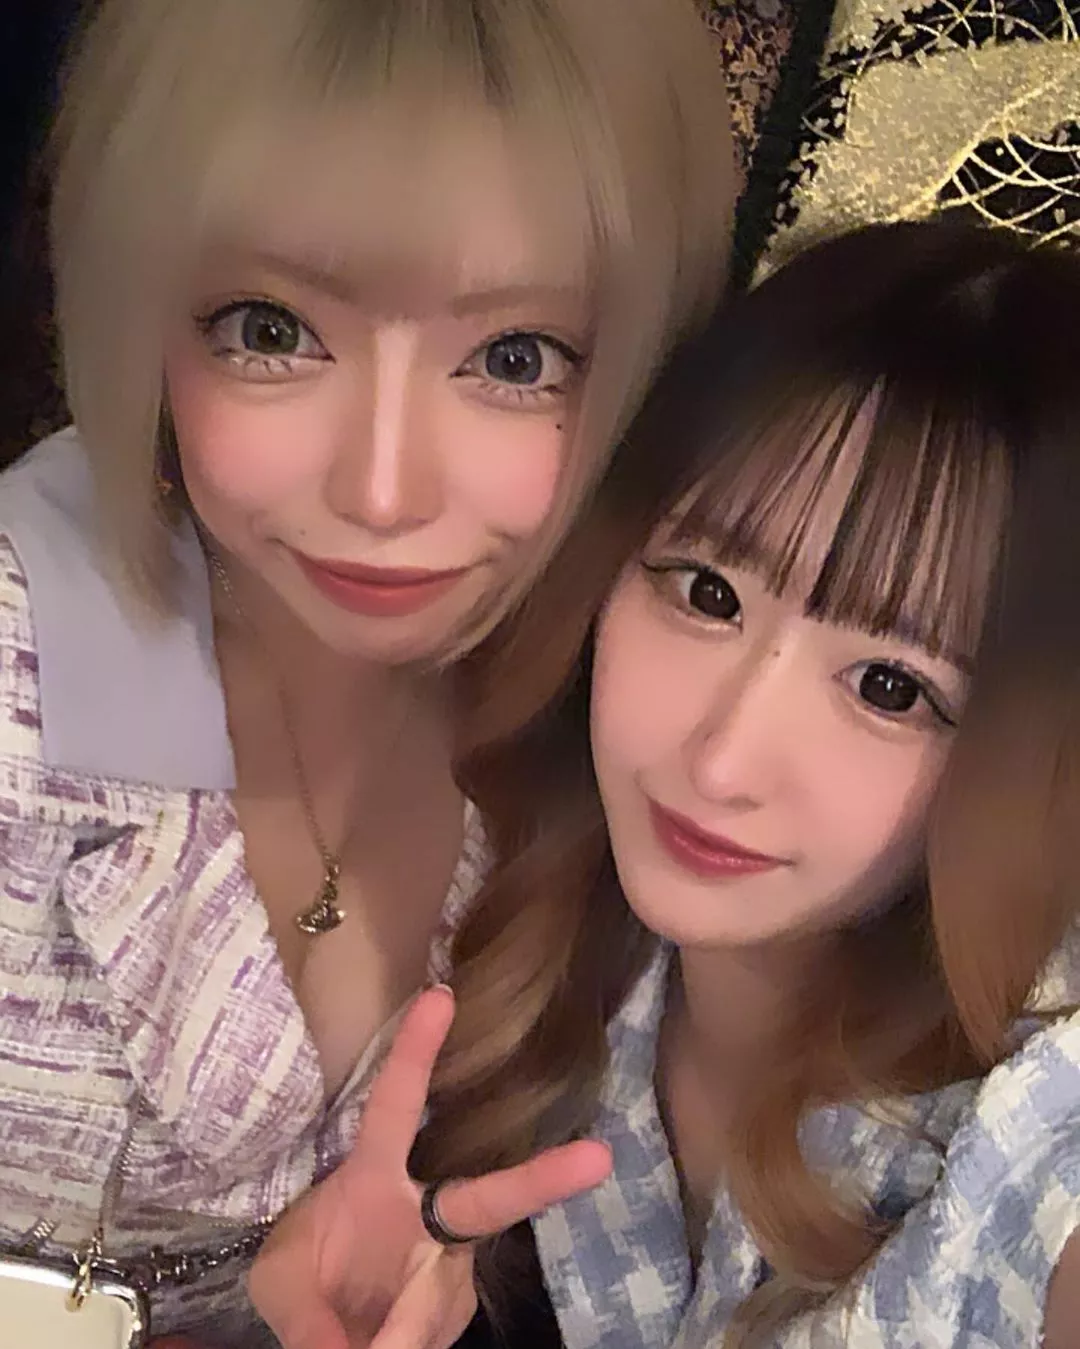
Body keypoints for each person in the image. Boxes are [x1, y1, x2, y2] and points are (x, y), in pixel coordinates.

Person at [0, 0, 736, 1344]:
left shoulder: (620, 722)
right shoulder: (22, 674)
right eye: (271, 329)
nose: (383, 491)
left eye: (513, 359)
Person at [415, 219, 1080, 1347]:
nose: (720, 760)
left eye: (890, 686)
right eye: (707, 593)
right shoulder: (524, 924)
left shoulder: (1026, 1135)